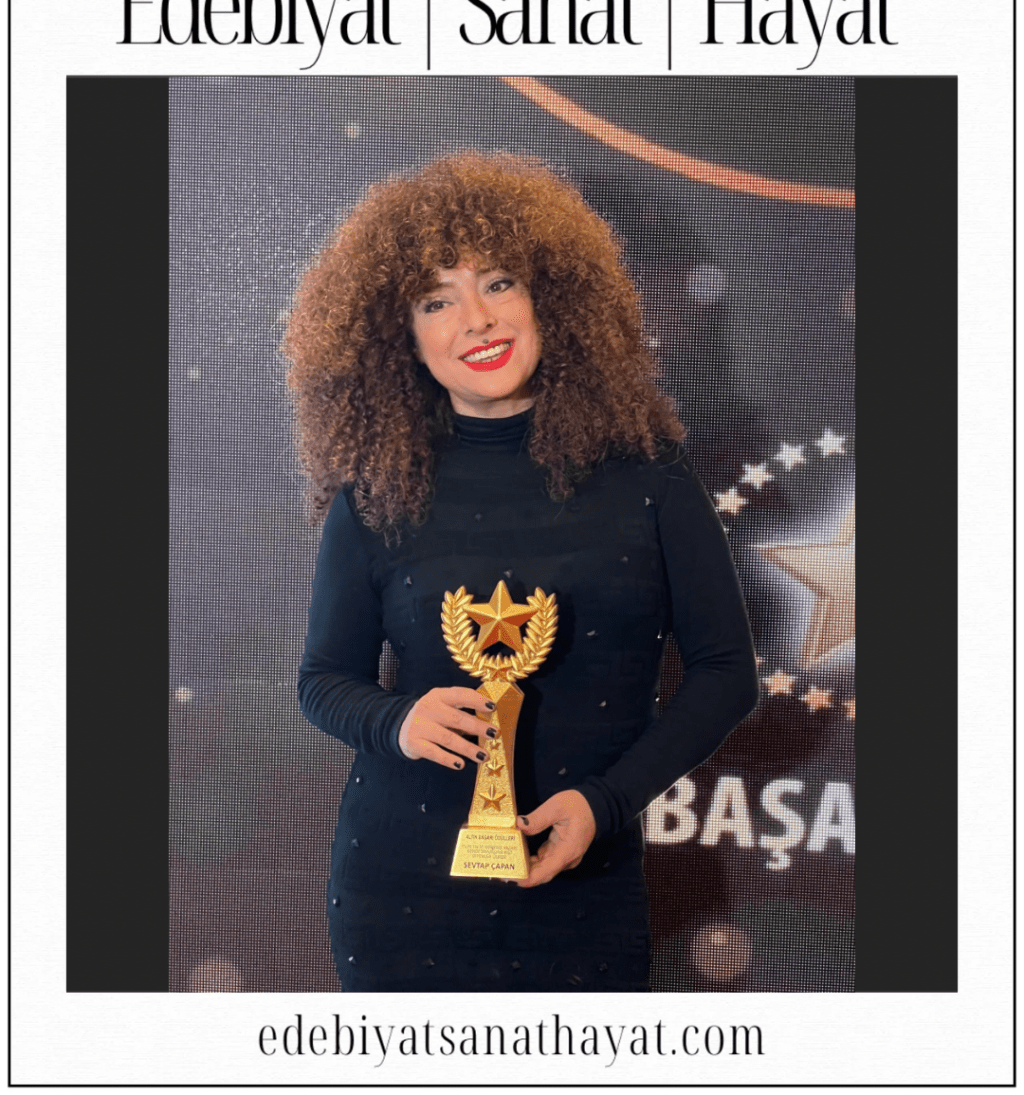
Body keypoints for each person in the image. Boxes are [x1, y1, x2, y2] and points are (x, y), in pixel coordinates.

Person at [282, 151, 759, 992]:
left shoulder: (651, 479)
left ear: (552, 298)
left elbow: (725, 675)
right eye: (436, 300)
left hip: (585, 893)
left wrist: (605, 803)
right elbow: (323, 681)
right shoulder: (377, 497)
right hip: (399, 898)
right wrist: (397, 721)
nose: (476, 320)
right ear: (402, 338)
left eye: (498, 283)